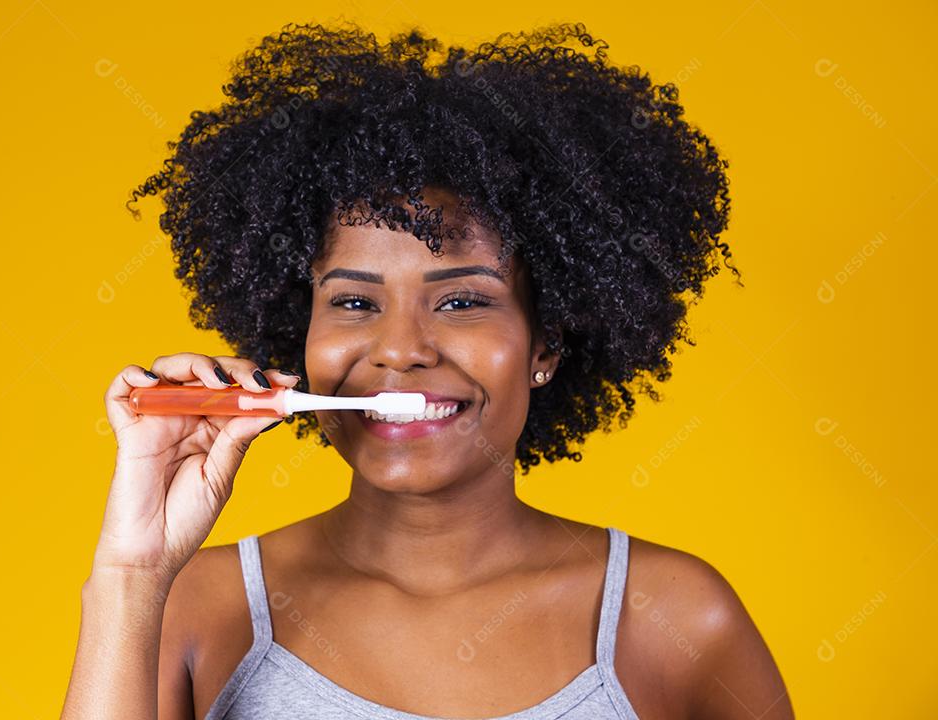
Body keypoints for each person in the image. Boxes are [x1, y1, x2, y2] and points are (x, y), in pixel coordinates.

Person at [61, 21, 793, 720]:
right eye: (353, 300)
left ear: (546, 346)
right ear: (299, 330)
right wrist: (131, 576)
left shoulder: (673, 618)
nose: (400, 348)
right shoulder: (195, 608)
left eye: (463, 301)